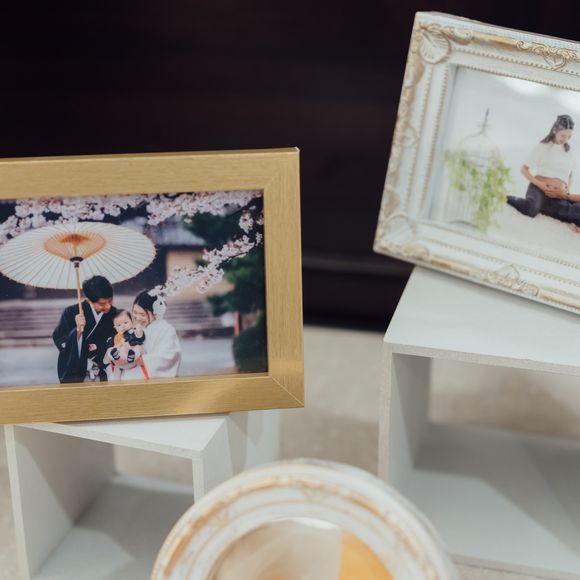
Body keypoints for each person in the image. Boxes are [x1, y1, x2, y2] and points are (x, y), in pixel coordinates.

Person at [507, 114, 580, 226]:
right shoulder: (543, 147)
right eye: (563, 135)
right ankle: (504, 197)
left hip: (558, 195)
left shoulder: (570, 151)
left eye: (569, 136)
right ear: (555, 130)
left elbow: (570, 175)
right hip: (539, 189)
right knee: (530, 209)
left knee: (574, 211)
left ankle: (544, 206)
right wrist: (541, 185)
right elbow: (524, 169)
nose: (565, 139)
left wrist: (565, 192)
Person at [53, 275, 117, 384]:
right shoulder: (71, 312)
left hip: (104, 370)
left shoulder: (114, 314)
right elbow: (59, 339)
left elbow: (117, 339)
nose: (108, 306)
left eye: (110, 301)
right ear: (89, 300)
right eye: (102, 303)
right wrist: (77, 331)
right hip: (77, 371)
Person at [114, 290, 181, 381]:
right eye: (135, 313)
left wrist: (138, 359)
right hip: (129, 376)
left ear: (155, 312)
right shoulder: (133, 328)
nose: (137, 318)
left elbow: (168, 356)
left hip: (147, 378)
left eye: (142, 314)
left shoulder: (166, 329)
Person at [103, 309, 146, 379]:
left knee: (138, 347)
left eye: (125, 323)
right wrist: (113, 349)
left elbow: (140, 338)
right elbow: (110, 347)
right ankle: (116, 356)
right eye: (119, 325)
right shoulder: (115, 337)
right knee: (110, 350)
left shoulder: (134, 331)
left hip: (133, 359)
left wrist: (139, 333)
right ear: (115, 327)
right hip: (121, 360)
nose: (123, 326)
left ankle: (132, 356)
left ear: (132, 321)